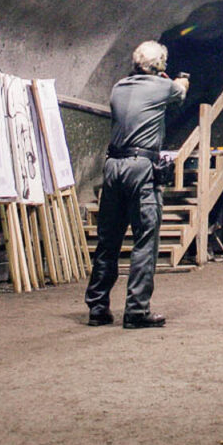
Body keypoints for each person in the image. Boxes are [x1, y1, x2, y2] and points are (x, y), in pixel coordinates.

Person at [85, 41, 188, 328]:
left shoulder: (118, 87)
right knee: (145, 240)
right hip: (141, 168)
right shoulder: (163, 87)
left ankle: (97, 307)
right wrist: (179, 80)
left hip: (113, 167)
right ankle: (136, 310)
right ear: (160, 65)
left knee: (108, 241)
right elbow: (180, 94)